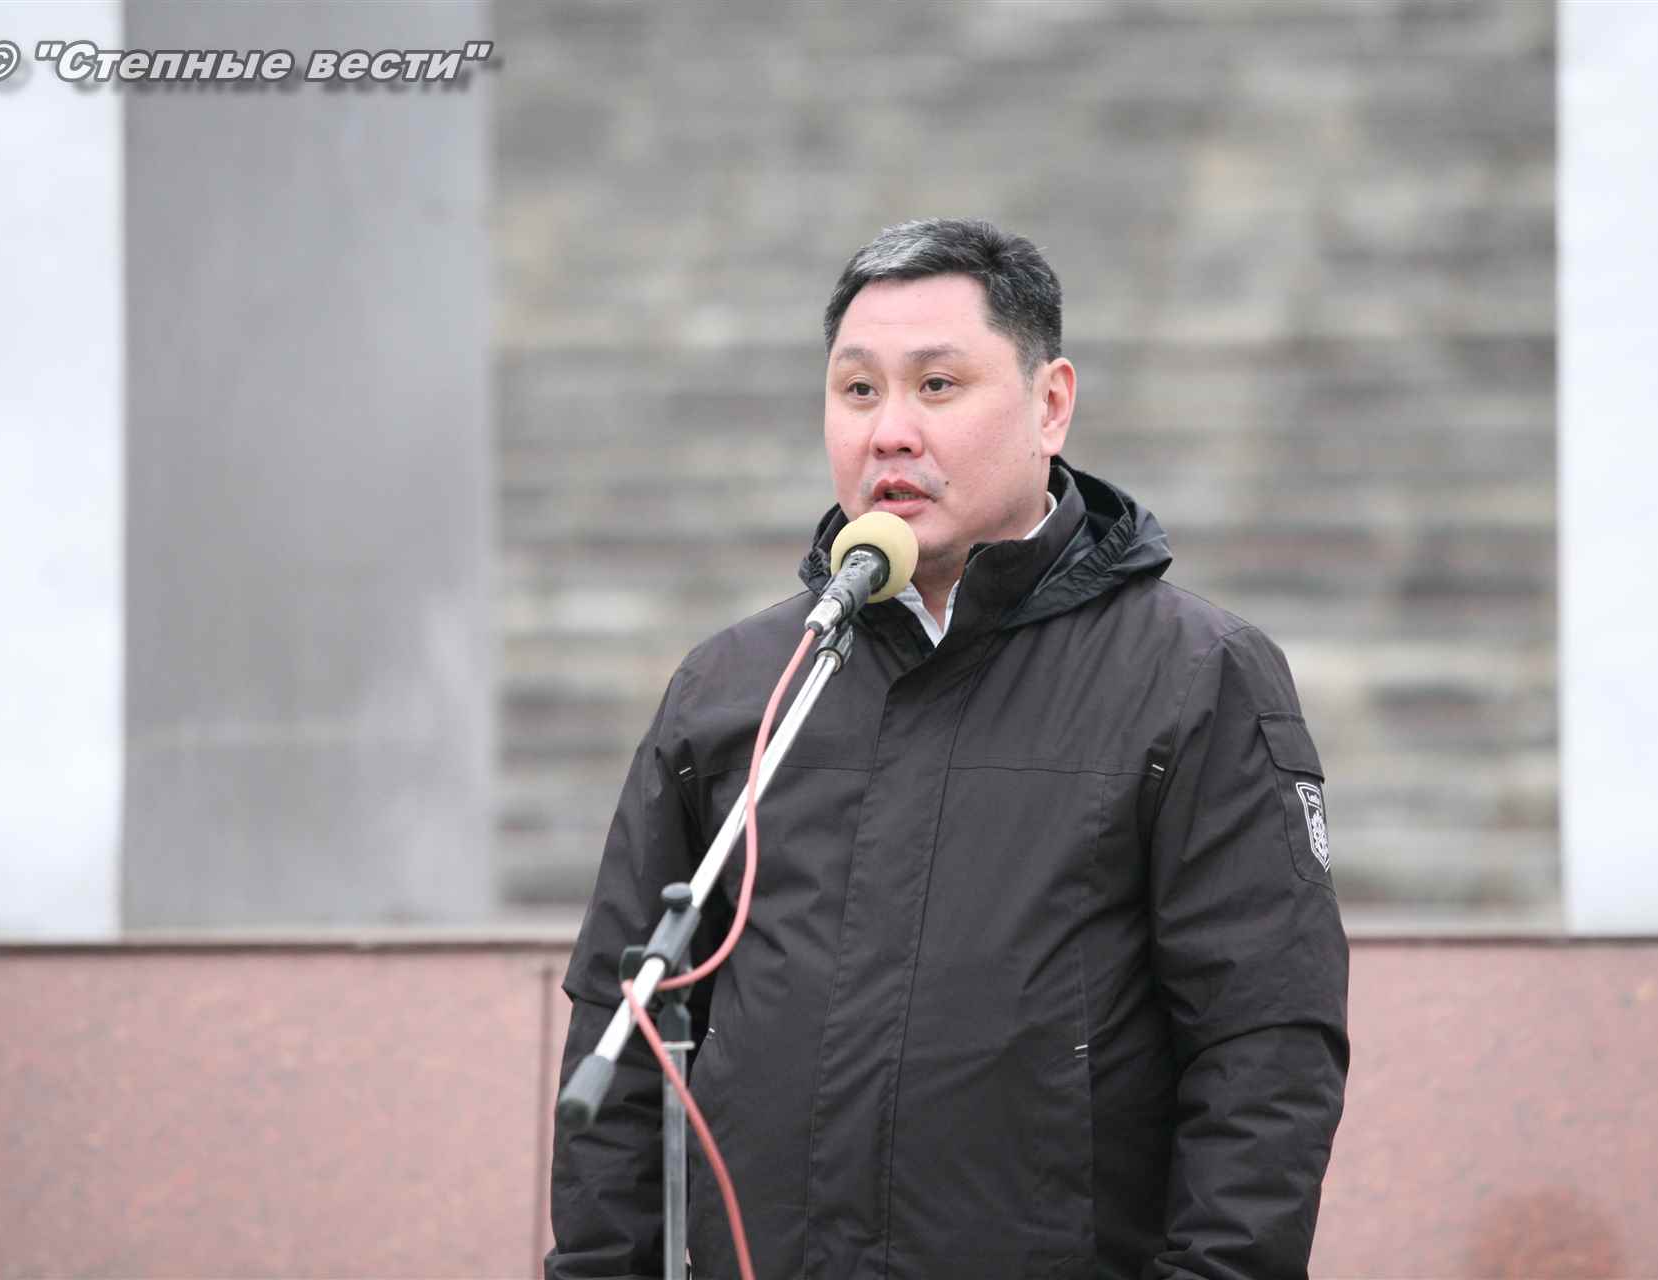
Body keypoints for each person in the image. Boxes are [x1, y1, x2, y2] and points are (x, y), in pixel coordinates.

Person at [546, 218, 1349, 1280]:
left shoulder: (1195, 677)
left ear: (1050, 403)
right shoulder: (736, 686)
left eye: (936, 386)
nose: (889, 432)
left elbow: (1266, 1048)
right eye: (858, 390)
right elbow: (623, 1026)